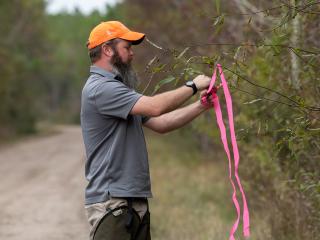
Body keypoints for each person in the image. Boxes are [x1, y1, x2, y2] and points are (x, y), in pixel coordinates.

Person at [81, 21, 212, 240]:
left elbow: (161, 123)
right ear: (107, 49)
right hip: (113, 203)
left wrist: (201, 105)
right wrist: (193, 86)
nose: (132, 54)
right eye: (127, 47)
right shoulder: (101, 88)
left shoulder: (119, 91)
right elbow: (155, 106)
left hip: (132, 201)